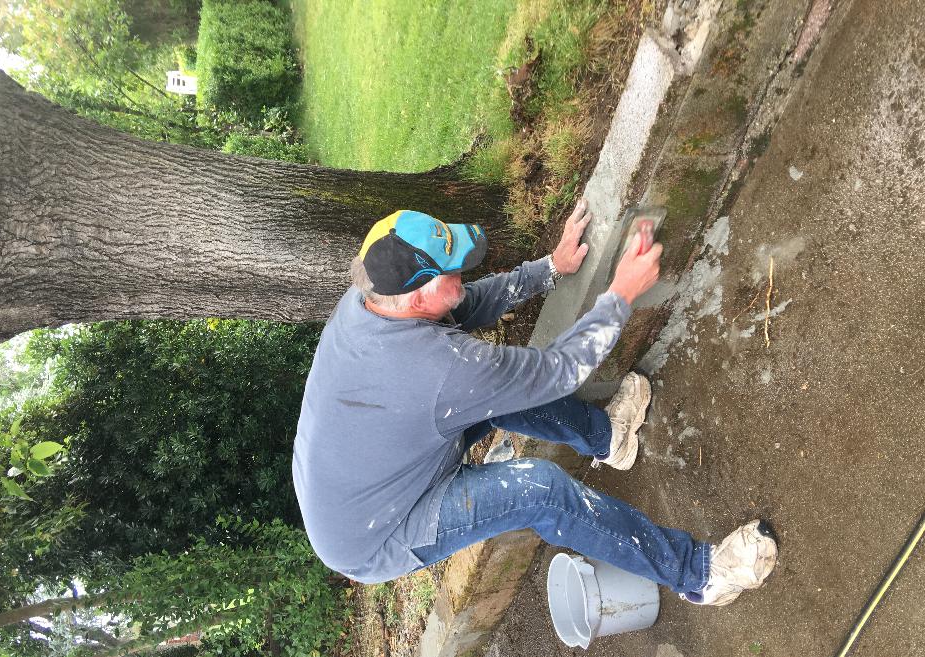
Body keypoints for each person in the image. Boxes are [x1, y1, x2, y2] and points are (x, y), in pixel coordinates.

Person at [292, 202, 777, 605]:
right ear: (416, 300)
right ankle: (702, 574)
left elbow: (461, 304)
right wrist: (621, 293)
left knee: (488, 392)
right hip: (378, 532)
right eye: (451, 272)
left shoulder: (373, 295)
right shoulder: (438, 370)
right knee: (540, 491)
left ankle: (609, 438)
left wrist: (549, 270)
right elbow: (555, 372)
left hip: (374, 468)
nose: (463, 272)